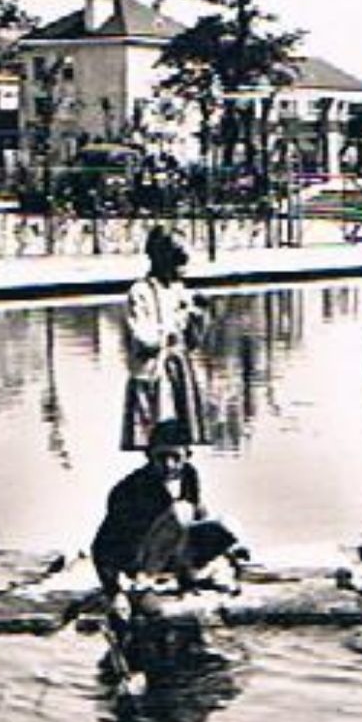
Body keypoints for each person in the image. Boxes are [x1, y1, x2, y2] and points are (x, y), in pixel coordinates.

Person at [93, 420, 246, 603]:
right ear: (149, 456)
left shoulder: (189, 475)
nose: (169, 464)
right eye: (162, 457)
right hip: (138, 558)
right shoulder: (131, 489)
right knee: (179, 513)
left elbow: (199, 515)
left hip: (172, 551)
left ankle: (190, 578)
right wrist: (114, 591)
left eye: (175, 457)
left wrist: (230, 555)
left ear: (187, 455)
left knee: (227, 525)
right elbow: (103, 545)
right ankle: (146, 585)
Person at [121, 226, 208, 451]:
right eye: (173, 261)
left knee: (180, 442)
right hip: (153, 376)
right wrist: (171, 329)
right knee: (155, 438)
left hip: (178, 374)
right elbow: (143, 338)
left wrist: (197, 319)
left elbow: (191, 343)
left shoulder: (179, 291)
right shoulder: (140, 292)